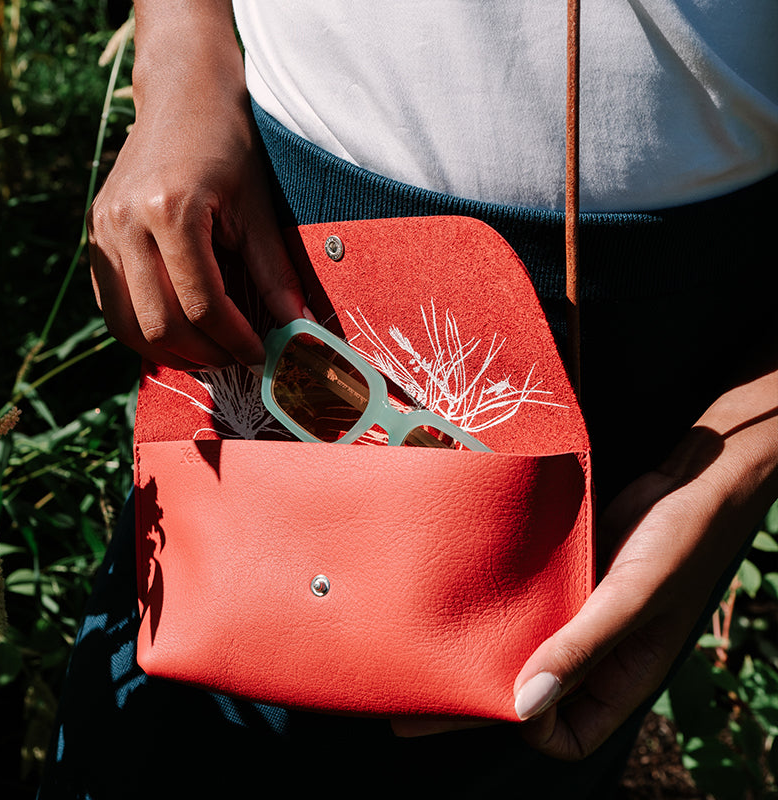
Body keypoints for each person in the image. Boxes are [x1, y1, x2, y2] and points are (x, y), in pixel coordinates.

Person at [40, 1, 778, 797]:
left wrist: (742, 452)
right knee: (154, 739)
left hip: (666, 337)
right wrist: (182, 64)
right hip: (285, 237)